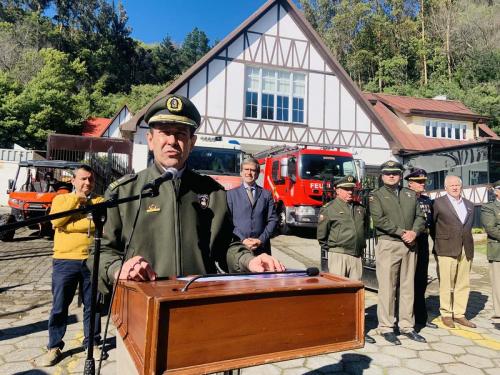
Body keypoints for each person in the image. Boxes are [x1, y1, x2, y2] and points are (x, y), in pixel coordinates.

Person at [88, 94, 284, 294]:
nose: (172, 141)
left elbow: (225, 245)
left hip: (197, 305)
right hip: (141, 305)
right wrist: (117, 269)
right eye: (164, 132)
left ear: (192, 142)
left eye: (181, 134)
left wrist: (249, 261)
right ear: (150, 140)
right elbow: (101, 251)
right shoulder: (124, 192)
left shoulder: (213, 192)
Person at [37, 165, 104, 367]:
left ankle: (92, 343)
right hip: (64, 260)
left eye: (90, 179)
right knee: (59, 306)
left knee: (93, 306)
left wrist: (70, 224)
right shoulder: (61, 199)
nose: (87, 183)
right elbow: (57, 222)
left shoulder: (99, 201)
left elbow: (101, 224)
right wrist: (77, 201)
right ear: (73, 180)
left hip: (91, 260)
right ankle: (54, 346)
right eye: (83, 179)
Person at [369, 160, 426, 345]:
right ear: (382, 176)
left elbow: (420, 217)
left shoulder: (410, 194)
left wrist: (414, 232)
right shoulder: (376, 195)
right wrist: (402, 232)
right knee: (387, 287)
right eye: (387, 173)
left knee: (408, 287)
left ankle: (407, 326)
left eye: (395, 173)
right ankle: (386, 326)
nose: (391, 176)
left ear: (400, 175)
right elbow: (379, 220)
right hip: (389, 244)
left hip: (410, 244)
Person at [317, 175, 375, 344]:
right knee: (337, 293)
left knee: (355, 294)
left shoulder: (359, 208)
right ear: (337, 190)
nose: (350, 192)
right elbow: (322, 235)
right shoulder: (329, 209)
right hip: (339, 255)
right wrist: (335, 248)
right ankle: (335, 328)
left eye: (352, 189)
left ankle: (356, 328)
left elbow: (364, 228)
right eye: (346, 189)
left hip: (356, 256)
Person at [433, 175, 475, 329]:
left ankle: (459, 314)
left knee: (463, 283)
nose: (455, 187)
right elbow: (432, 226)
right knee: (446, 283)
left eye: (457, 185)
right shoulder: (438, 203)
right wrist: (440, 241)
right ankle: (446, 313)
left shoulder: (469, 204)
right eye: (452, 185)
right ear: (446, 188)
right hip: (446, 248)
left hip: (466, 248)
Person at [404, 168, 438, 329]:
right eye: (419, 182)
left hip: (423, 241)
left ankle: (421, 317)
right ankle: (404, 316)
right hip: (408, 242)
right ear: (410, 183)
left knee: (421, 280)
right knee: (406, 281)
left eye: (424, 181)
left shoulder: (426, 200)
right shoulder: (404, 198)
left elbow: (431, 224)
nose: (423, 184)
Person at [227, 156, 277, 255]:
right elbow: (227, 221)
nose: (249, 173)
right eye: (246, 169)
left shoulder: (266, 194)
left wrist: (260, 240)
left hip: (261, 248)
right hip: (238, 246)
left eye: (253, 170)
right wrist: (243, 239)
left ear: (258, 174)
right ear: (241, 172)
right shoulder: (231, 194)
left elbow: (273, 219)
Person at [480, 180, 500, 330]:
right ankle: (498, 316)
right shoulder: (489, 207)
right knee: (498, 285)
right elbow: (491, 228)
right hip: (498, 251)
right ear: (496, 191)